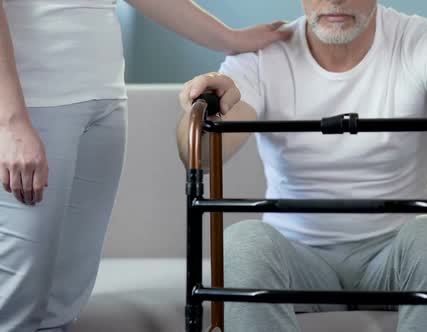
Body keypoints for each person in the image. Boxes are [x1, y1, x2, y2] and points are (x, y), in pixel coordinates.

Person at [177, 0, 427, 331]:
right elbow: (202, 154)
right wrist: (204, 107)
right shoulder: (262, 56)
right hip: (296, 258)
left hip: (395, 259)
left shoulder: (416, 40)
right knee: (242, 243)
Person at [0, 0, 291, 331]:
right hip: (34, 106)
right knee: (17, 300)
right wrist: (10, 122)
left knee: (64, 300)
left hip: (104, 103)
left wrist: (231, 39)